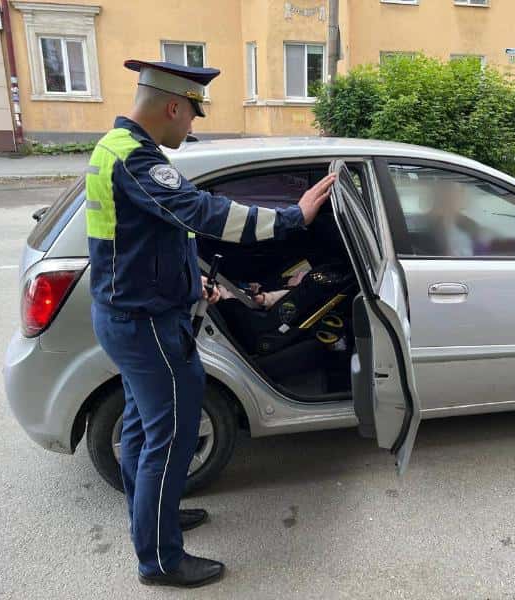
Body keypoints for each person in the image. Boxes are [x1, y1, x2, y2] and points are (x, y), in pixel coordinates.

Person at [85, 59, 336, 589]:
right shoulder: (137, 159)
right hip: (146, 323)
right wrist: (294, 217)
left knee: (142, 427)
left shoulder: (116, 148)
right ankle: (160, 560)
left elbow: (152, 236)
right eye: (193, 114)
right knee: (170, 435)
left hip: (131, 314)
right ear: (173, 107)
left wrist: (190, 277)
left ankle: (154, 518)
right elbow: (203, 214)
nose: (193, 126)